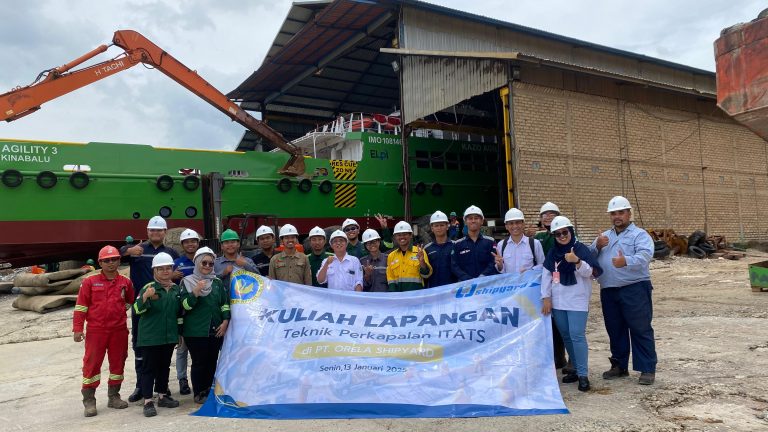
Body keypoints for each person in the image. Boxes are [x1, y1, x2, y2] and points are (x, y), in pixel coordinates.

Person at [590, 196, 657, 385]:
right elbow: (589, 258)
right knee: (615, 329)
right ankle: (619, 366)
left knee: (640, 328)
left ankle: (647, 369)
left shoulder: (639, 235)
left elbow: (645, 256)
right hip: (609, 290)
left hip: (634, 288)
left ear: (629, 213)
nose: (617, 216)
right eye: (613, 213)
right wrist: (596, 246)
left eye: (620, 212)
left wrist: (626, 261)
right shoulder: (604, 237)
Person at [120, 215, 179, 403]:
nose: (156, 233)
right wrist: (128, 250)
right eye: (152, 230)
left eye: (159, 230)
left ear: (165, 232)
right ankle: (140, 386)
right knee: (140, 344)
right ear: (147, 232)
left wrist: (177, 275)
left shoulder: (170, 252)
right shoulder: (139, 249)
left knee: (163, 347)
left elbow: (178, 269)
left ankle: (161, 388)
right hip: (142, 302)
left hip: (163, 303)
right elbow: (118, 253)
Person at [541, 216, 603, 392]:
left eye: (564, 232)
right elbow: (546, 275)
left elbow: (591, 273)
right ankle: (575, 369)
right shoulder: (553, 252)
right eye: (558, 234)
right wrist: (546, 297)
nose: (562, 236)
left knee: (577, 335)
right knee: (566, 336)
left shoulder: (580, 249)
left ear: (571, 231)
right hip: (559, 301)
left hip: (577, 300)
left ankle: (583, 375)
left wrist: (577, 261)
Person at [73, 245, 135, 417]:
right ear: (100, 262)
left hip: (119, 331)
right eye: (106, 260)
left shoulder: (125, 282)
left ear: (119, 260)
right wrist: (78, 329)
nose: (110, 263)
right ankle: (89, 401)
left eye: (114, 259)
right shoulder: (89, 282)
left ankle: (114, 396)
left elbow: (130, 300)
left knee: (118, 363)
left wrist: (118, 313)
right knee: (91, 365)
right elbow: (81, 307)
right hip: (96, 331)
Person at [133, 252, 182, 417]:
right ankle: (148, 401)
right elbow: (137, 310)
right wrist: (145, 297)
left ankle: (162, 396)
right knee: (148, 369)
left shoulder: (176, 289)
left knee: (164, 367)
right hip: (150, 338)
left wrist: (179, 334)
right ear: (155, 271)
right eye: (161, 269)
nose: (165, 271)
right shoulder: (148, 288)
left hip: (168, 337)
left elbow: (178, 314)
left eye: (168, 268)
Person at [180, 247, 230, 404]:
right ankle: (198, 392)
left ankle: (209, 389)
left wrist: (225, 321)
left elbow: (224, 304)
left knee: (211, 361)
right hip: (195, 331)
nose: (208, 266)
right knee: (199, 362)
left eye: (211, 263)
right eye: (204, 263)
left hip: (215, 329)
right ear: (196, 262)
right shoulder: (187, 282)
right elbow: (184, 307)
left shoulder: (216, 282)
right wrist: (195, 292)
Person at [534, 201, 571, 373]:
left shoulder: (565, 233)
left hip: (565, 285)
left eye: (552, 213)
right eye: (544, 214)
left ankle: (570, 359)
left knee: (566, 325)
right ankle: (557, 357)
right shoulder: (538, 238)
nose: (548, 217)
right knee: (551, 324)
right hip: (546, 285)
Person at [171, 228, 200, 396]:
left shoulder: (203, 260)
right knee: (182, 348)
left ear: (197, 243)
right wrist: (173, 276)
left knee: (199, 350)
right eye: (187, 242)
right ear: (182, 244)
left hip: (201, 311)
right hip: (183, 311)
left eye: (193, 241)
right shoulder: (177, 263)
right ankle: (182, 379)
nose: (191, 244)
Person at [451, 205, 497, 281]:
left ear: (482, 221)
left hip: (486, 285)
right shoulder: (457, 244)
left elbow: (493, 262)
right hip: (465, 287)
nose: (473, 221)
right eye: (470, 218)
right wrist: (467, 279)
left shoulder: (490, 242)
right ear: (465, 222)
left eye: (476, 218)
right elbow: (454, 266)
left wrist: (483, 276)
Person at [494, 208, 545, 275]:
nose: (515, 226)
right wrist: (500, 266)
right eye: (511, 223)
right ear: (506, 226)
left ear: (523, 224)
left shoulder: (535, 243)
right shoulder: (501, 245)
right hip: (509, 284)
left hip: (528, 284)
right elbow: (501, 270)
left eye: (517, 222)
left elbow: (542, 265)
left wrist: (531, 271)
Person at [386, 221, 432, 292]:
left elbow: (426, 275)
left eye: (405, 234)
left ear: (411, 235)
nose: (402, 237)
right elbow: (391, 278)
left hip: (416, 296)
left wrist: (422, 262)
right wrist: (393, 295)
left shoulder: (419, 252)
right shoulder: (391, 256)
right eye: (399, 235)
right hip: (399, 297)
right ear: (395, 237)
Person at [424, 211, 456, 288]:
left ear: (447, 226)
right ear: (432, 228)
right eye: (436, 226)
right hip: (434, 291)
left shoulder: (456, 245)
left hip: (452, 290)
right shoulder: (427, 249)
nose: (439, 228)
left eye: (442, 225)